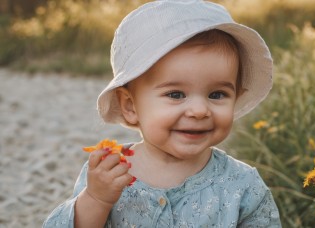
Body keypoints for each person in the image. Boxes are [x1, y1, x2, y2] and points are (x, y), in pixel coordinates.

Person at [43, 0, 281, 227]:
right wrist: (96, 200)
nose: (199, 111)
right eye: (176, 94)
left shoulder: (244, 185)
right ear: (130, 106)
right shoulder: (109, 172)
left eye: (217, 94)